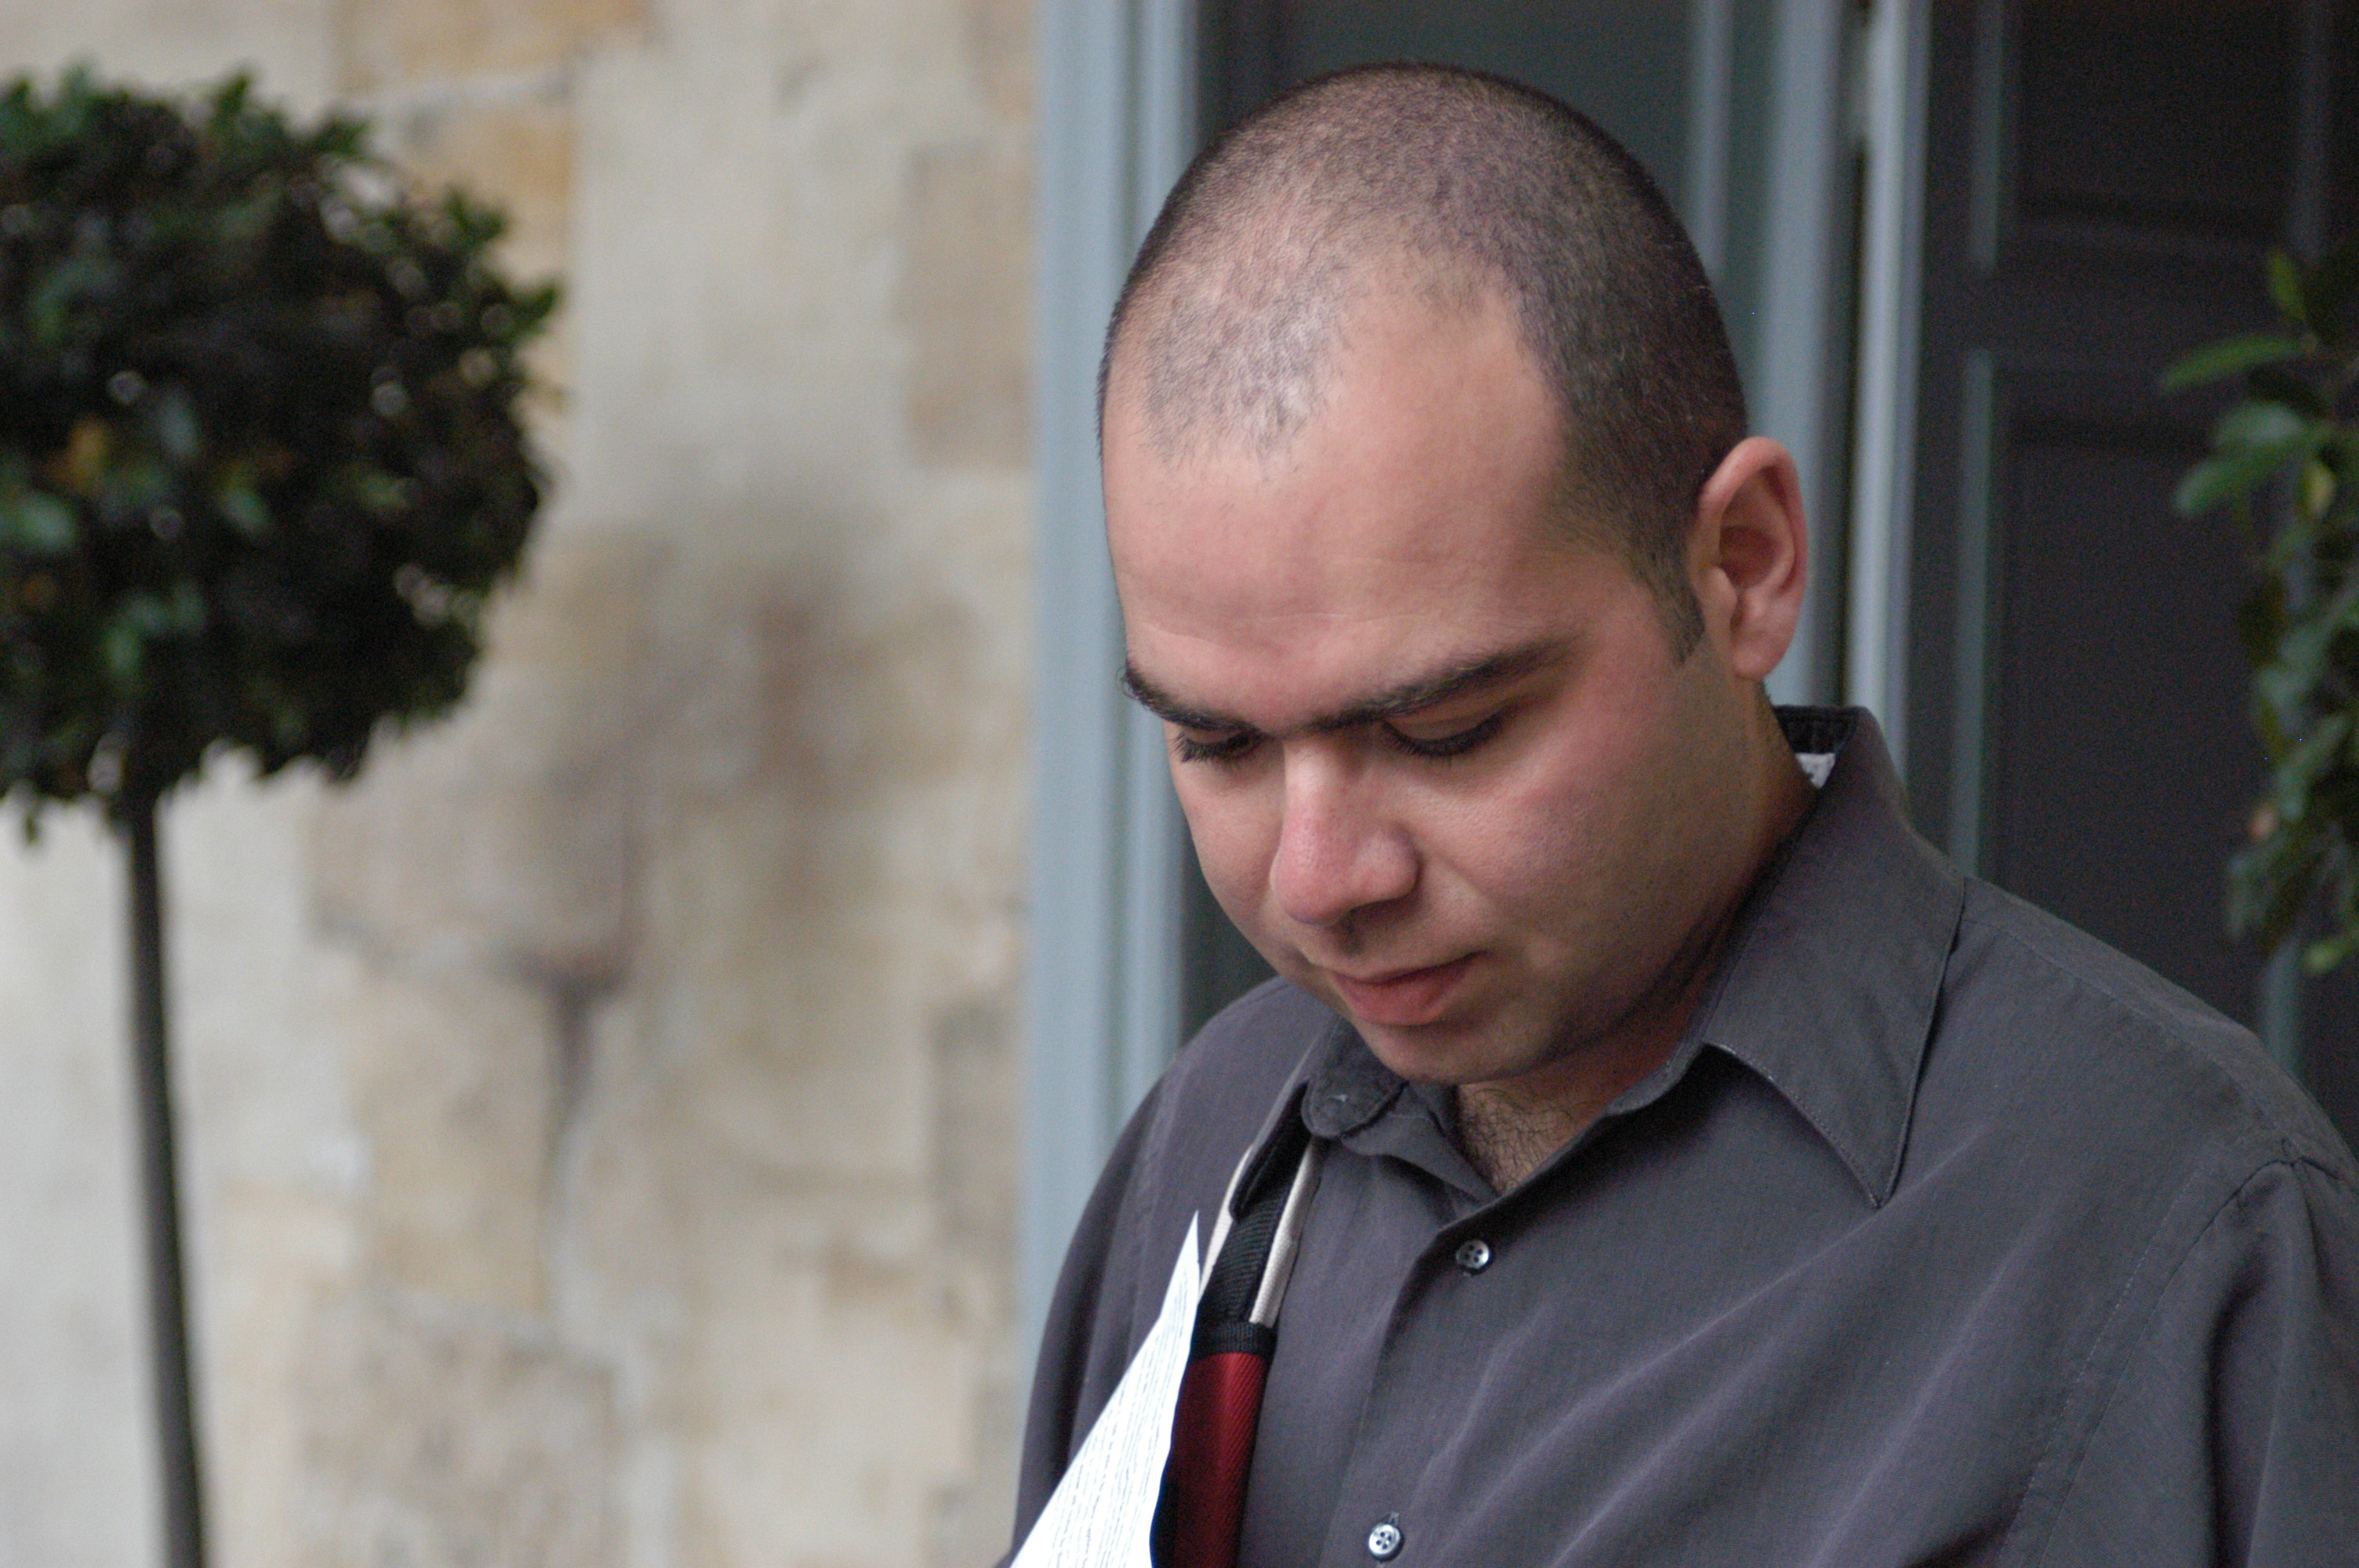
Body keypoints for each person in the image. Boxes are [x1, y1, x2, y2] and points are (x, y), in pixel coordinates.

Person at [1012, 64, 2359, 1566]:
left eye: (1446, 732)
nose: (1321, 881)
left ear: (1744, 566)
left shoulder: (2184, 1234)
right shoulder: (1211, 1133)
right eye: (1218, 745)